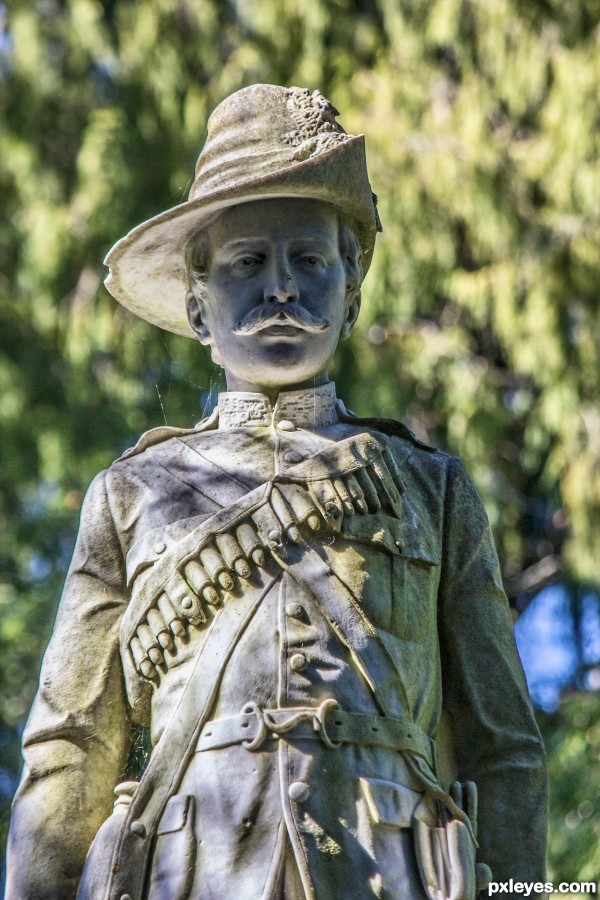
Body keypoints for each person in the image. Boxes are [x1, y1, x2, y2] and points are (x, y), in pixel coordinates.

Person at [6, 84, 547, 900]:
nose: (283, 288)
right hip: (194, 875)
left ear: (352, 291)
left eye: (310, 260)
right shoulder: (130, 494)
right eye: (248, 263)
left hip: (389, 873)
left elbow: (503, 751)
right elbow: (70, 746)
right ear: (197, 302)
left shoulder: (431, 489)